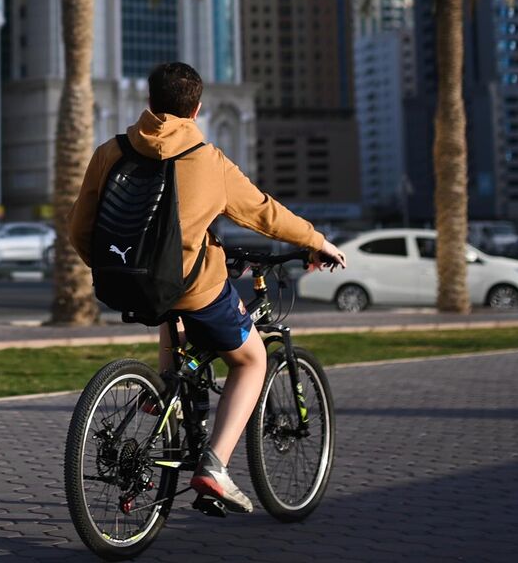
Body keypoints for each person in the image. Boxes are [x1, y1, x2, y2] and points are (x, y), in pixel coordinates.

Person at [67, 61, 347, 514]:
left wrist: (116, 268)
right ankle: (214, 467)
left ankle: (166, 399)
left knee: (172, 320)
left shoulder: (110, 152)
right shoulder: (208, 161)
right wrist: (317, 242)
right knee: (252, 360)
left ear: (150, 102)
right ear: (196, 109)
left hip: (127, 282)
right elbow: (265, 213)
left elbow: (80, 229)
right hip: (190, 289)